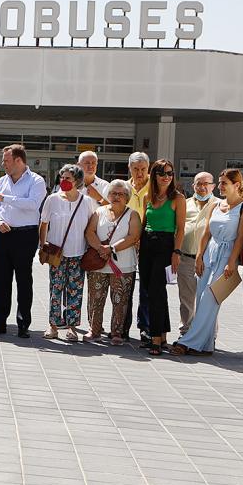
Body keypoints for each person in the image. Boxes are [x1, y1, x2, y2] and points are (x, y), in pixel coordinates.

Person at [172, 169, 243, 357]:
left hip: (226, 255)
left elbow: (240, 237)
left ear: (237, 185)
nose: (221, 186)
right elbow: (206, 233)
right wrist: (199, 257)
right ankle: (206, 345)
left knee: (211, 297)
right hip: (209, 253)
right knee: (201, 298)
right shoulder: (216, 205)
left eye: (224, 183)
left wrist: (232, 262)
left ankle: (188, 341)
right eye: (220, 182)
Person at [0, 144, 46, 338]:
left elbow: (33, 205)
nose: (3, 164)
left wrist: (5, 199)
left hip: (25, 235)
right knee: (1, 280)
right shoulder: (2, 181)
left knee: (23, 279)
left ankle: (23, 324)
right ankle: (0, 322)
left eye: (6, 160)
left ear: (19, 161)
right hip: (3, 234)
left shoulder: (36, 181)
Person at [39, 165, 97, 341]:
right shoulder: (52, 199)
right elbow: (43, 224)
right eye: (62, 177)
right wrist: (43, 245)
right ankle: (53, 325)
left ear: (77, 181)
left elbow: (91, 227)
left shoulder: (87, 202)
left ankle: (72, 327)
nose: (64, 181)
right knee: (55, 290)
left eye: (68, 178)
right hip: (57, 253)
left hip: (78, 254)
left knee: (75, 291)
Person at [83, 180, 142, 345]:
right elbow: (90, 232)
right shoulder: (99, 212)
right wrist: (101, 248)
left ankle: (116, 332)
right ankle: (94, 330)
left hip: (123, 265)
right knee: (95, 298)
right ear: (108, 195)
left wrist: (112, 248)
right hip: (98, 264)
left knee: (120, 299)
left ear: (127, 197)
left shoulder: (132, 214)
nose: (116, 197)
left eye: (121, 194)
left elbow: (133, 237)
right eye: (113, 193)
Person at [138, 159, 186, 355]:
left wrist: (176, 252)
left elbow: (181, 229)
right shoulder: (148, 197)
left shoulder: (178, 198)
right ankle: (163, 334)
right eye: (162, 173)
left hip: (165, 246)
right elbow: (144, 222)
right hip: (147, 244)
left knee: (157, 291)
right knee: (150, 291)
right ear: (154, 176)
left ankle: (156, 338)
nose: (166, 177)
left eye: (170, 173)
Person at [178, 171, 222, 333]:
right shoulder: (185, 203)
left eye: (206, 184)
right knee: (186, 298)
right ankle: (186, 331)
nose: (202, 187)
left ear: (213, 186)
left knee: (209, 299)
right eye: (199, 184)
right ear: (193, 186)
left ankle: (208, 334)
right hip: (186, 258)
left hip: (209, 260)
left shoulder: (220, 205)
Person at [125, 151, 151, 341]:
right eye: (136, 169)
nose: (139, 173)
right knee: (125, 287)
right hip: (126, 243)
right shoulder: (123, 187)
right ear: (130, 168)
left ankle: (145, 326)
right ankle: (122, 327)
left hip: (148, 243)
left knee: (147, 288)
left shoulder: (155, 187)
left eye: (143, 169)